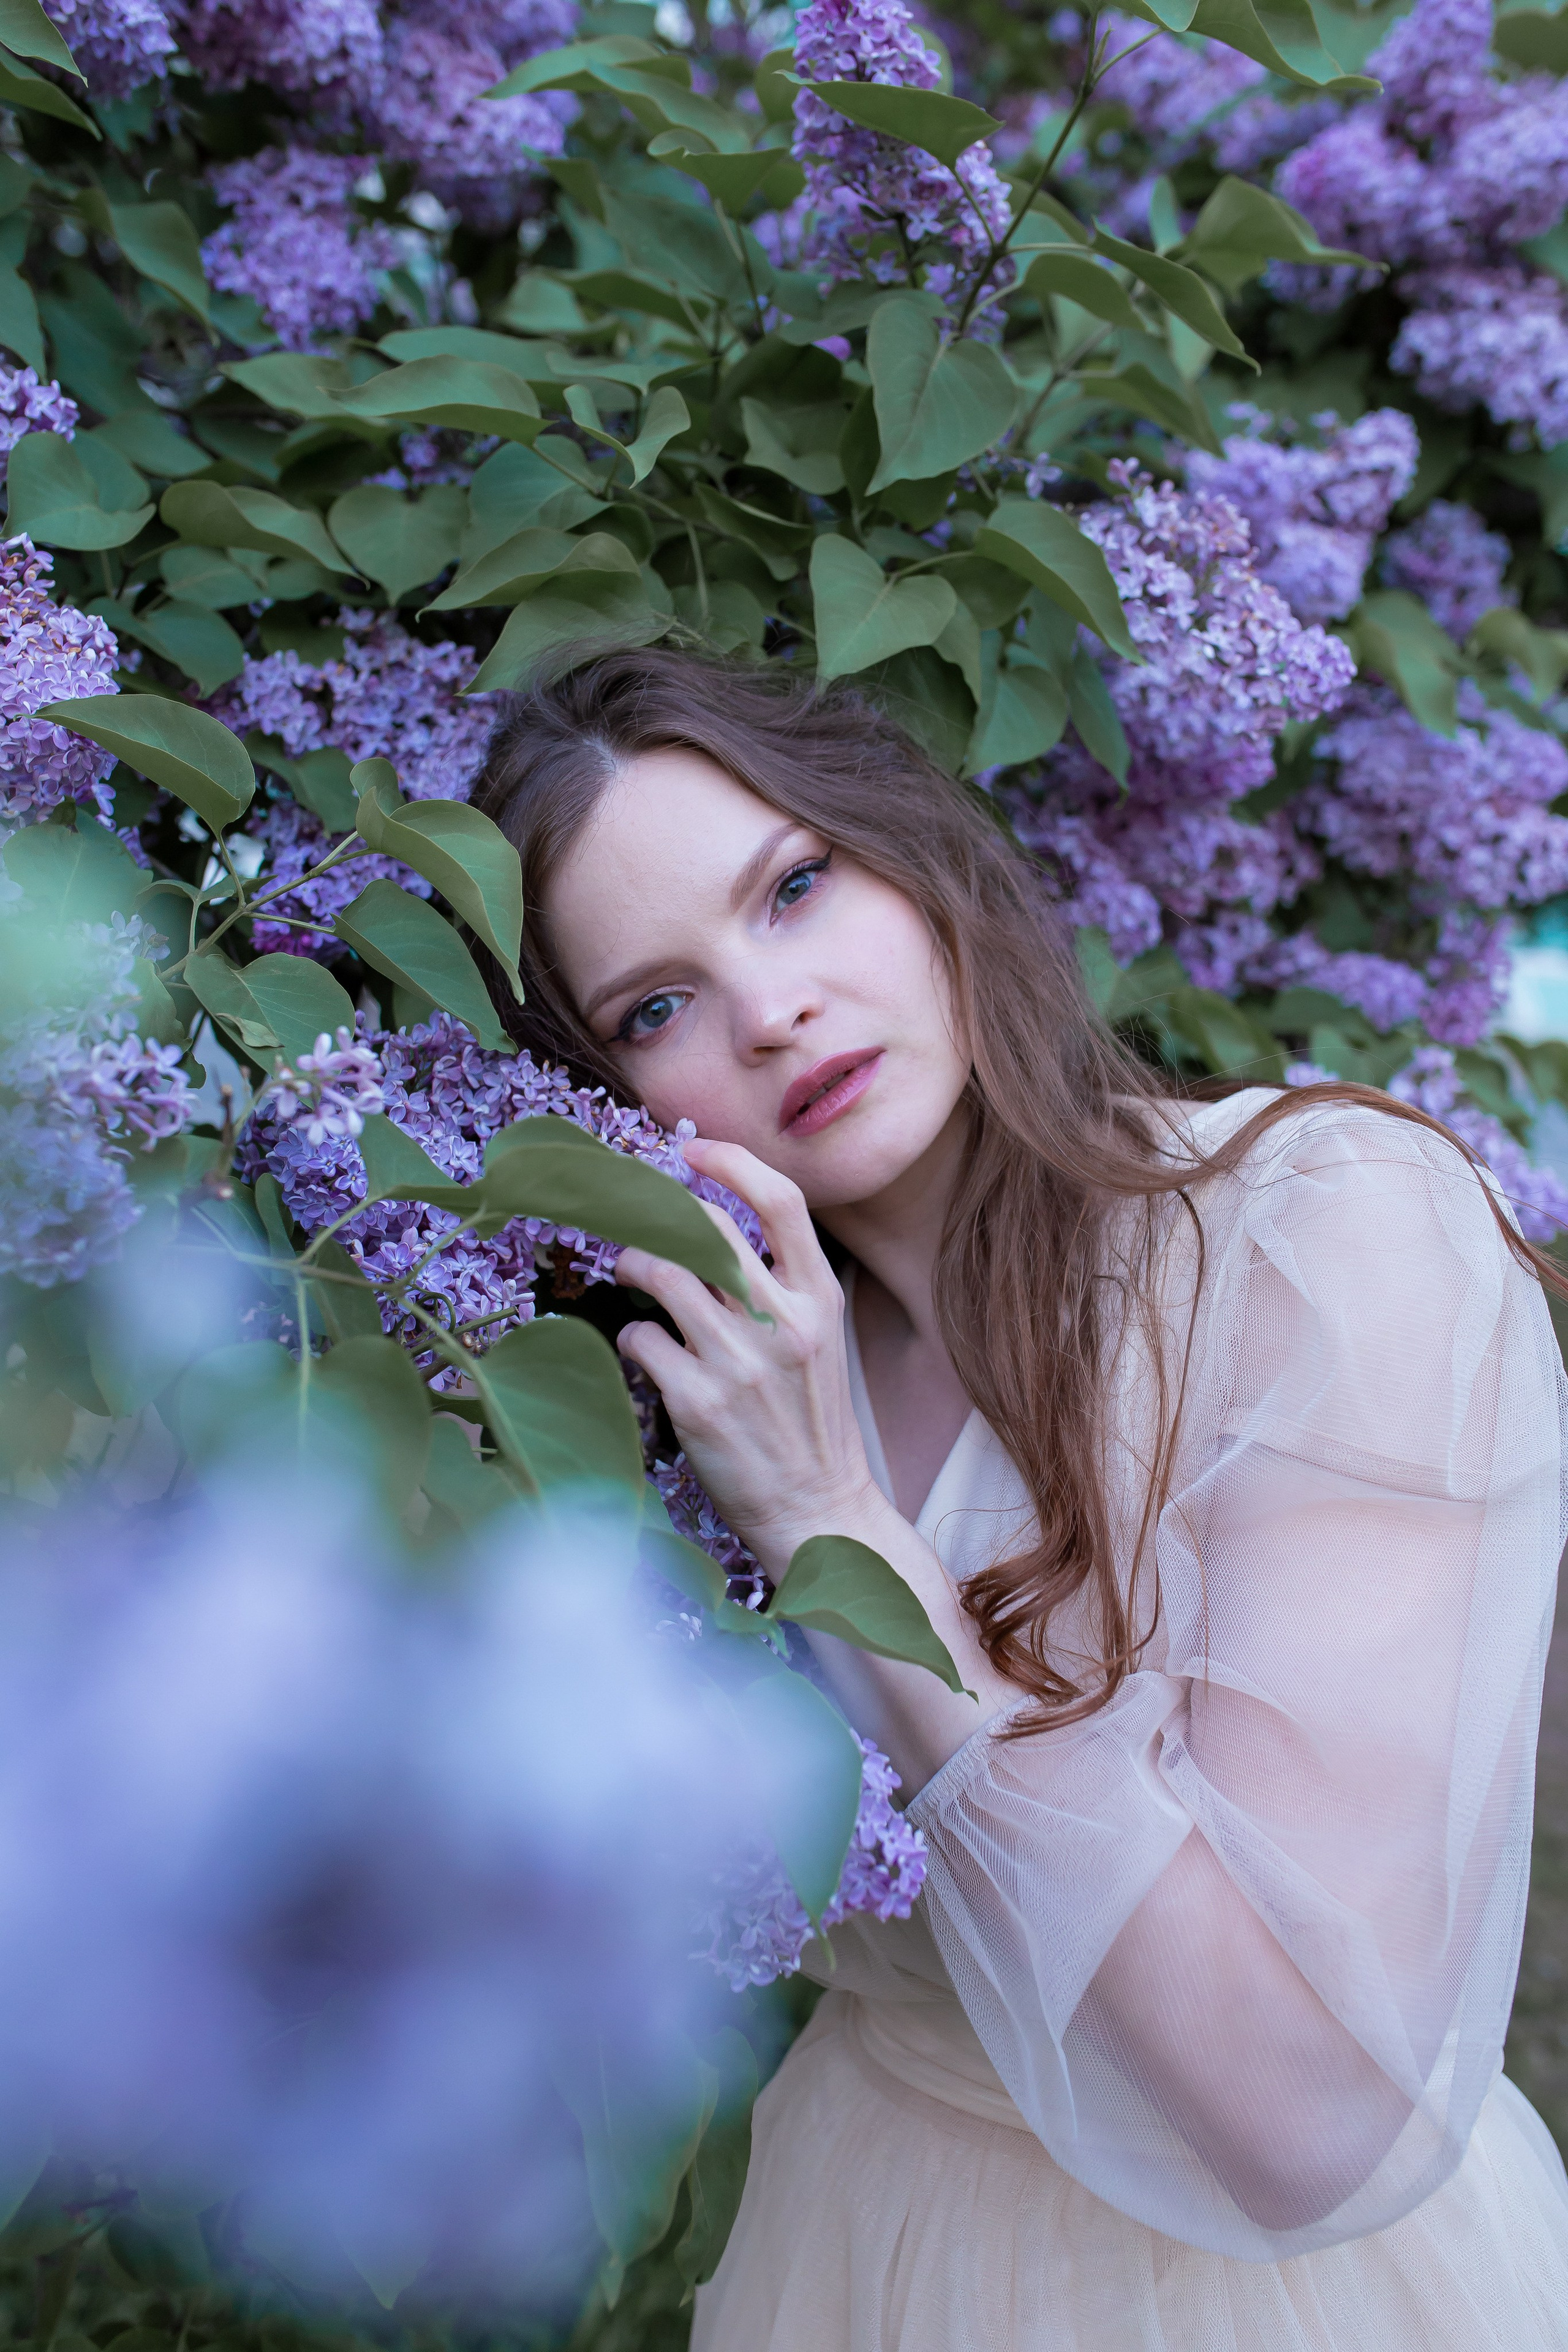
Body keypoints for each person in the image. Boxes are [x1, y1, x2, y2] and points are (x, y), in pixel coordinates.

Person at [473, 645, 1568, 2351]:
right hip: (861, 2242)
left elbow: (1302, 2113)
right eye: (655, 1007)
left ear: (916, 860)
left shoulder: (1320, 1239)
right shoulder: (679, 1422)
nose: (771, 1012)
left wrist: (835, 1520)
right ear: (606, 1107)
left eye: (796, 887)